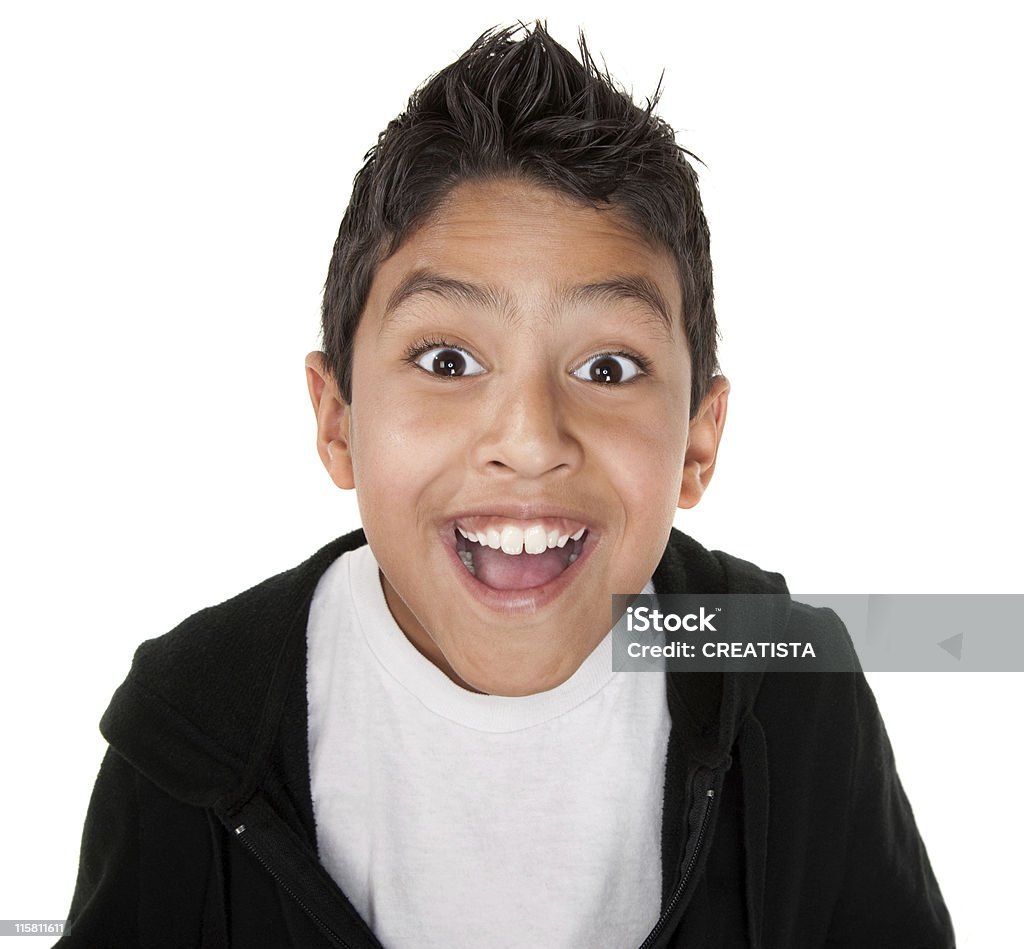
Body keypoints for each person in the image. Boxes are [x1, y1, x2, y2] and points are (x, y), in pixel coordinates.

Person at [58, 23, 954, 949]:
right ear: (338, 422)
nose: (528, 441)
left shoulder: (783, 674)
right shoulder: (194, 716)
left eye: (608, 367)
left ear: (696, 443)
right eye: (447, 358)